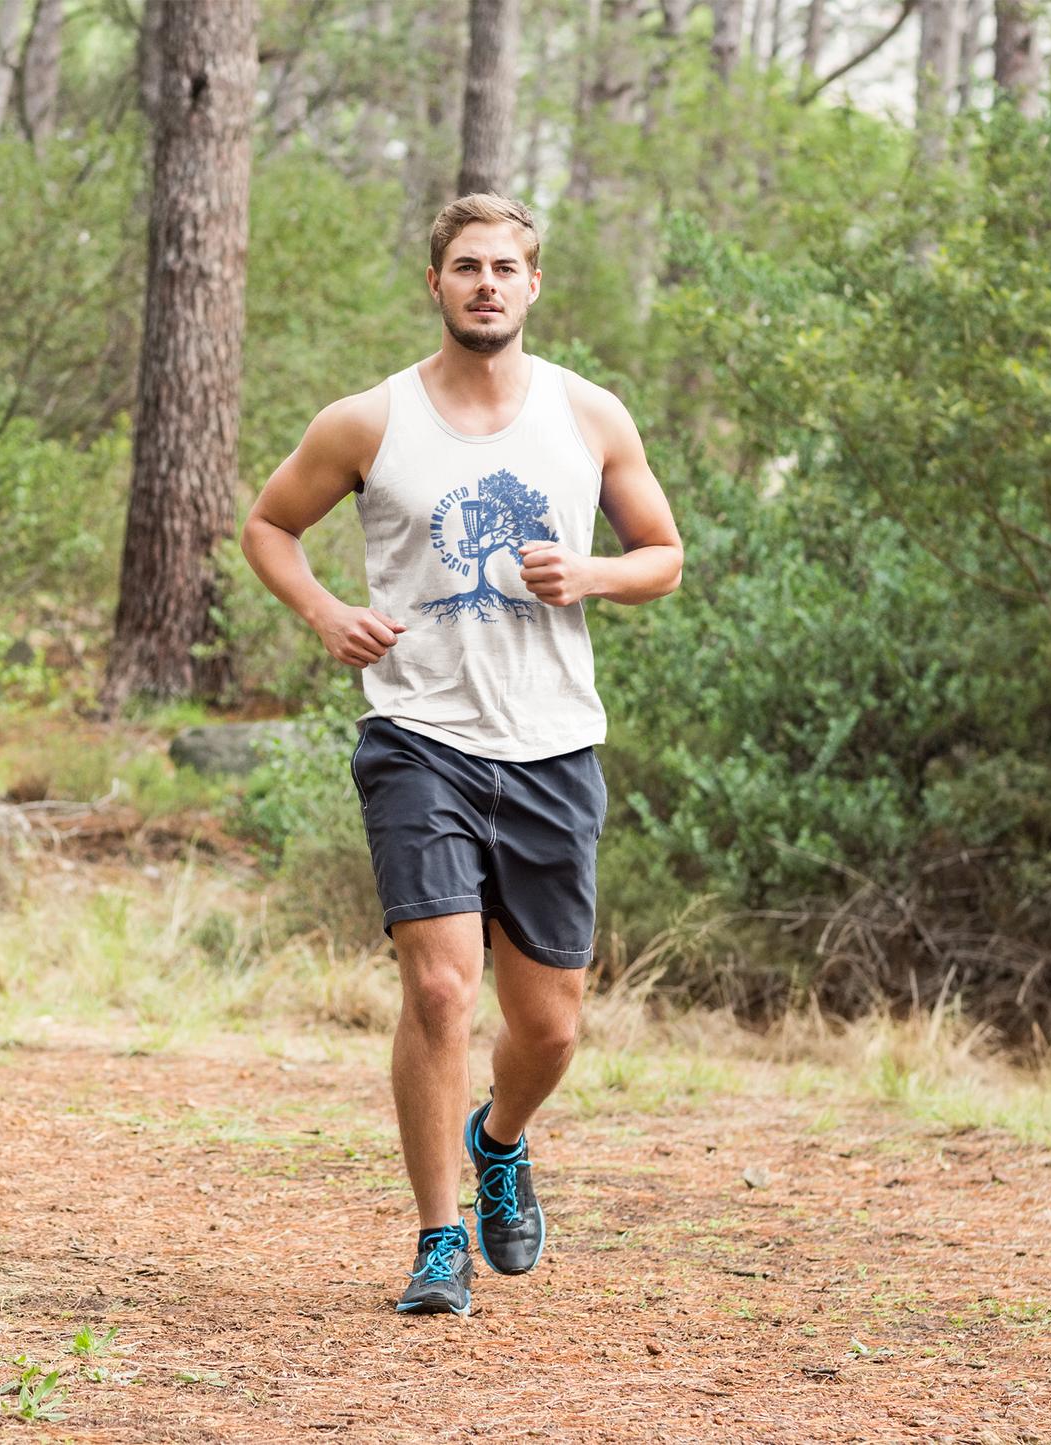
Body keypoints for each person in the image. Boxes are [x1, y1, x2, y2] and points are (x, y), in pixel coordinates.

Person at [241, 193, 683, 1316]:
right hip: (417, 736)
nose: (485, 282)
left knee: (549, 1024)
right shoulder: (367, 421)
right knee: (440, 990)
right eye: (464, 266)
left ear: (533, 286)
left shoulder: (588, 414)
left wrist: (588, 574)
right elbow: (267, 525)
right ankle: (438, 1238)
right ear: (433, 283)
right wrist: (323, 611)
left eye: (504, 267)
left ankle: (501, 1138)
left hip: (551, 745)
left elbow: (664, 555)